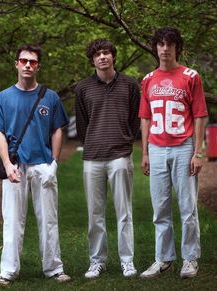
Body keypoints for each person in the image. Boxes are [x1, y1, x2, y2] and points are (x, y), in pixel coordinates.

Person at [0, 44, 70, 286]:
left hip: (42, 165)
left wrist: (53, 162)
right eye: (23, 61)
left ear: (38, 66)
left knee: (49, 220)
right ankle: (7, 271)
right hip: (15, 167)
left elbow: (57, 129)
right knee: (12, 220)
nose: (27, 65)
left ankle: (54, 268)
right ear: (16, 64)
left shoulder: (50, 97)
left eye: (32, 62)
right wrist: (7, 164)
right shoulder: (2, 98)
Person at [139, 27, 208, 279]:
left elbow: (200, 115)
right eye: (161, 44)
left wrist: (198, 152)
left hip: (183, 147)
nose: (165, 48)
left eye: (170, 44)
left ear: (176, 47)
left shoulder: (191, 76)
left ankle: (190, 258)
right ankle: (164, 258)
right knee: (160, 208)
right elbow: (145, 118)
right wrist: (145, 152)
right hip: (156, 148)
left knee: (187, 206)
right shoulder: (148, 79)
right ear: (155, 47)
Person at [75, 39, 140, 279]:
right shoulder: (82, 88)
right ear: (92, 60)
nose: (102, 57)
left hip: (120, 156)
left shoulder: (130, 85)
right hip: (92, 157)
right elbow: (81, 125)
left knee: (124, 212)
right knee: (95, 213)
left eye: (106, 53)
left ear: (113, 56)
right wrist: (92, 142)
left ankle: (127, 261)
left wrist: (125, 140)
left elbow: (135, 119)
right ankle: (97, 262)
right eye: (97, 54)